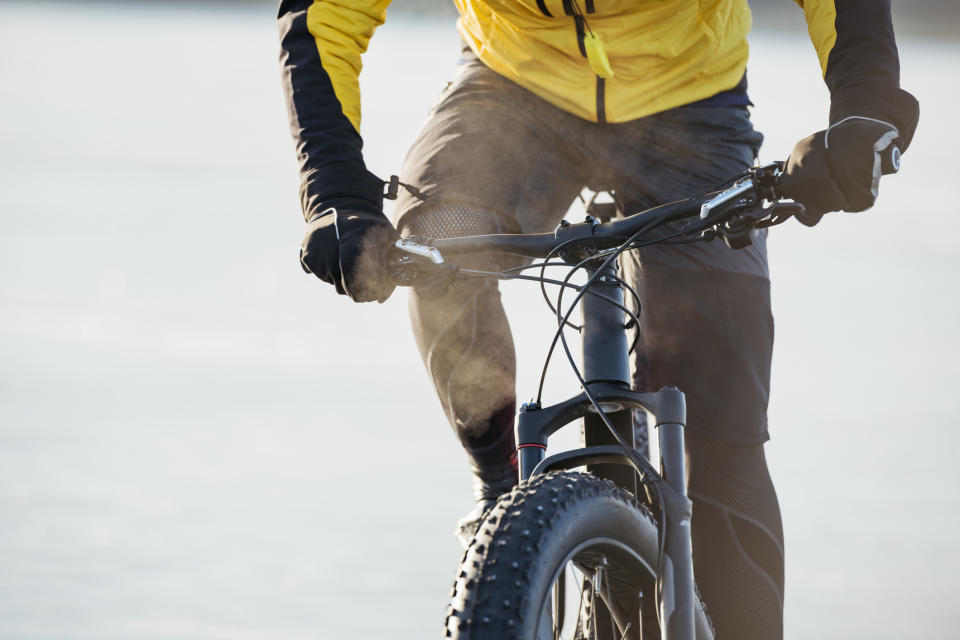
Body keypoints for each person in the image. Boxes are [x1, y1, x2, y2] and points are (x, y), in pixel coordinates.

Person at [278, 1, 918, 637]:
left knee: (721, 421)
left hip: (688, 95)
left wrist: (863, 106)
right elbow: (326, 12)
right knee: (436, 257)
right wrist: (334, 192)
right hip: (512, 84)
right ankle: (501, 500)